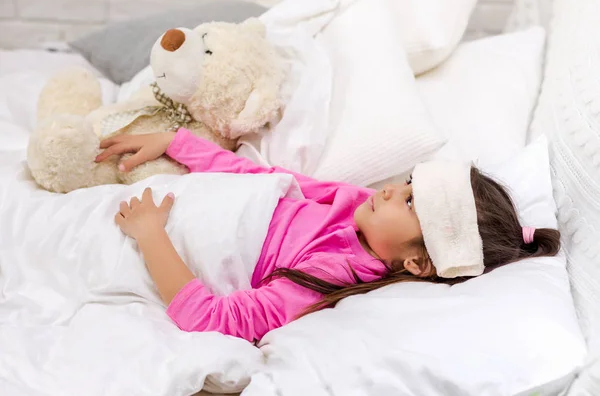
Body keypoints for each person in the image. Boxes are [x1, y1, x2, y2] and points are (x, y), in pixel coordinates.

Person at [96, 128, 561, 343]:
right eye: (411, 185)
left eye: (412, 202)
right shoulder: (356, 204)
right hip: (195, 198)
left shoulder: (334, 273)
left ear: (418, 262)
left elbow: (217, 320)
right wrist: (178, 143)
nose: (394, 189)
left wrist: (151, 235)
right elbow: (264, 177)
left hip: (162, 230)